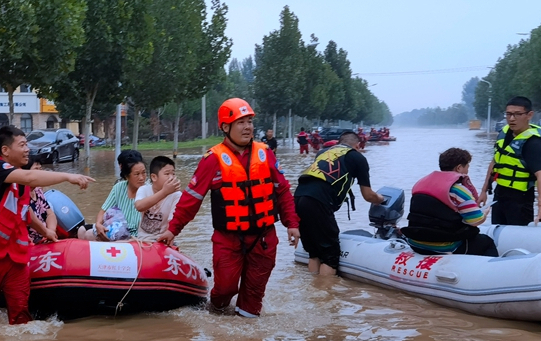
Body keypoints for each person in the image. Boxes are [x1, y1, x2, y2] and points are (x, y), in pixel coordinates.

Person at [158, 98, 300, 318]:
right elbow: (192, 199)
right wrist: (172, 230)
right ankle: (216, 316)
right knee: (225, 289)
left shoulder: (266, 154)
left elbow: (282, 191)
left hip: (263, 239)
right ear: (225, 127)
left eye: (250, 121)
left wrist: (292, 223)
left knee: (253, 298)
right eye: (241, 122)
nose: (248, 127)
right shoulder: (212, 159)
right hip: (228, 239)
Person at [0, 125, 93, 325]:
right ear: (5, 150)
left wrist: (47, 231)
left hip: (14, 257)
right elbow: (30, 177)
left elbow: (25, 213)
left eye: (27, 145)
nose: (27, 149)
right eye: (22, 145)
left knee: (21, 317)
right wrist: (68, 176)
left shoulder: (19, 179)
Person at [294, 131, 384, 276]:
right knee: (330, 255)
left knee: (314, 252)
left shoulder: (324, 153)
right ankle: (325, 295)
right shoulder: (357, 157)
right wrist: (381, 199)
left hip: (298, 197)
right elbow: (368, 195)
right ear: (358, 145)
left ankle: (312, 292)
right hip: (318, 201)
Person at [401, 148, 498, 257]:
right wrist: (484, 213)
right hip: (446, 245)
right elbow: (475, 221)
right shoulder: (458, 190)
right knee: (487, 242)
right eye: (467, 167)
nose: (467, 171)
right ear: (459, 167)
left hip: (415, 243)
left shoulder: (420, 184)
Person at [478, 96, 541, 226]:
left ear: (529, 115)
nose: (512, 119)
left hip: (520, 199)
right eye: (509, 114)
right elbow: (494, 162)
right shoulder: (504, 133)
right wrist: (484, 191)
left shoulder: (533, 143)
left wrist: (540, 207)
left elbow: (540, 175)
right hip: (499, 194)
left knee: (518, 235)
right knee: (497, 229)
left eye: (518, 114)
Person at [77, 150, 146, 241]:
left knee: (89, 235)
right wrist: (98, 224)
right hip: (118, 228)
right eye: (137, 174)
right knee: (81, 231)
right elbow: (103, 211)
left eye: (144, 173)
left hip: (135, 235)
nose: (141, 178)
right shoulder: (119, 187)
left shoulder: (149, 190)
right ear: (126, 175)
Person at [135, 156, 182, 242]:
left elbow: (172, 224)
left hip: (163, 240)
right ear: (154, 177)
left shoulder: (177, 195)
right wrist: (164, 192)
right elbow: (139, 206)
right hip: (142, 240)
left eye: (173, 174)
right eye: (167, 174)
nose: (172, 178)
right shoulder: (144, 189)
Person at [23, 156, 58, 244]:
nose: (40, 173)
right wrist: (46, 233)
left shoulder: (38, 190)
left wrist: (51, 231)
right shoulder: (20, 194)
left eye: (40, 169)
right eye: (36, 169)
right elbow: (29, 218)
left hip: (45, 238)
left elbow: (50, 214)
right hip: (30, 242)